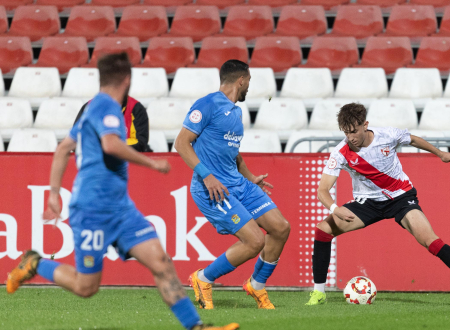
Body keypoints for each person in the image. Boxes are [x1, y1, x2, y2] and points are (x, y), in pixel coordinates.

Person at [6, 53, 239, 330]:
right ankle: (34, 263)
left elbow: (61, 149)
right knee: (86, 286)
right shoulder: (107, 107)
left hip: (121, 209)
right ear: (127, 80)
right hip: (93, 210)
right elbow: (110, 145)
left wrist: (55, 194)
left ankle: (197, 327)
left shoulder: (93, 107)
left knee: (162, 264)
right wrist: (151, 163)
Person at [305, 103, 450, 308]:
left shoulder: (387, 135)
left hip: (400, 197)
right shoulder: (341, 152)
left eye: (354, 131)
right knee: (323, 230)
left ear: (365, 125)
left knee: (430, 240)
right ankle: (319, 293)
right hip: (367, 203)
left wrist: (439, 153)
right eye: (346, 133)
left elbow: (412, 139)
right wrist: (335, 209)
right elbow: (322, 190)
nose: (351, 137)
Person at [174, 59, 290, 310]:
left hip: (238, 183)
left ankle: (256, 285)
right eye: (249, 81)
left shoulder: (236, 111)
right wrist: (207, 175)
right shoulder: (206, 104)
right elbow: (181, 143)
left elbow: (234, 153)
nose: (249, 86)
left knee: (280, 228)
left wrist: (251, 178)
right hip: (212, 188)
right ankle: (202, 278)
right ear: (242, 80)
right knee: (255, 241)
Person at [75, 95, 151, 152]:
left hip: (127, 161)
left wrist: (110, 145)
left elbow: (140, 143)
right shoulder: (89, 107)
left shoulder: (135, 108)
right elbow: (77, 140)